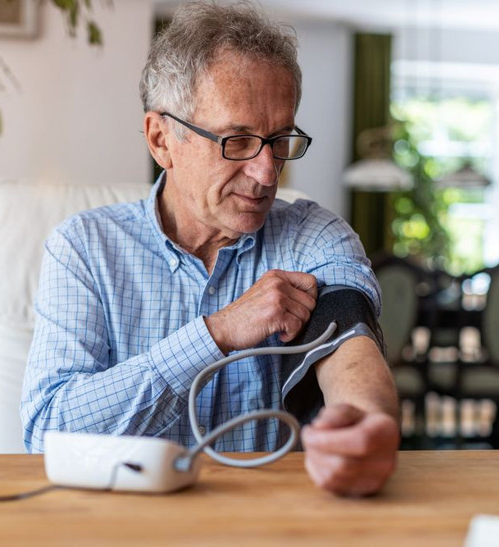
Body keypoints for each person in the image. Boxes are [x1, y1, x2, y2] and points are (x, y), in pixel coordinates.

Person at [21, 0, 400, 496]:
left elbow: (350, 342)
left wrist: (365, 423)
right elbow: (47, 435)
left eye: (280, 138)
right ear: (161, 140)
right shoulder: (84, 250)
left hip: (269, 524)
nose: (268, 173)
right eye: (237, 140)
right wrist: (216, 333)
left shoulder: (315, 236)